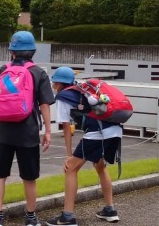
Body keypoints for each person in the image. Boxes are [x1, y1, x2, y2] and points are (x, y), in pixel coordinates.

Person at [0, 30, 54, 226]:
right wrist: (47, 131)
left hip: (2, 131)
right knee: (29, 177)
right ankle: (31, 218)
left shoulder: (2, 71)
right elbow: (44, 105)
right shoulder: (38, 72)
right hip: (28, 132)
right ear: (32, 51)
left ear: (11, 51)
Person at [46, 66, 121, 225]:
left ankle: (67, 216)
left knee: (71, 168)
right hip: (115, 130)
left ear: (59, 84)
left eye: (54, 83)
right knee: (100, 166)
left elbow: (66, 127)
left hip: (98, 133)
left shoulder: (63, 96)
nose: (53, 86)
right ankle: (110, 210)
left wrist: (69, 155)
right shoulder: (82, 90)